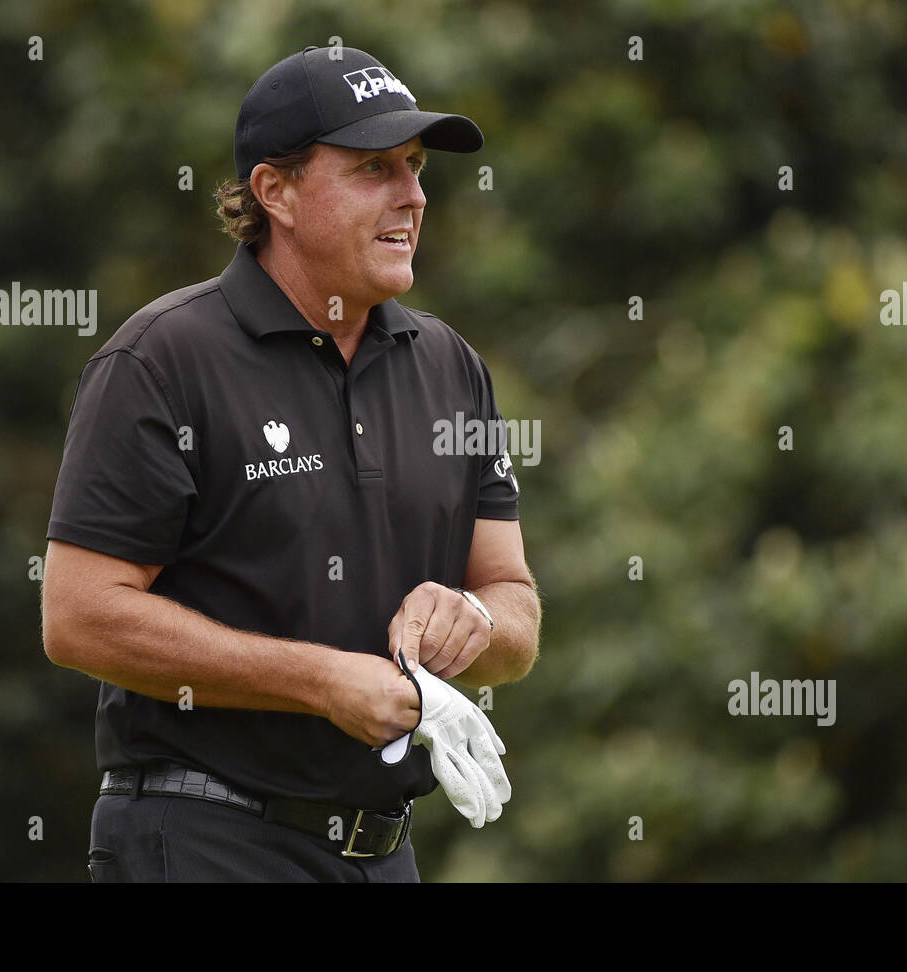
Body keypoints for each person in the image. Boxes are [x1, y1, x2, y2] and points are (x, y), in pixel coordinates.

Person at [40, 45, 541, 883]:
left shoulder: (452, 367)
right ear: (276, 192)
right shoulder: (164, 360)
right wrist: (318, 682)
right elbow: (78, 616)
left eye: (415, 168)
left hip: (384, 854)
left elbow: (515, 611)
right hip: (205, 837)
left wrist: (472, 620)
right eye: (375, 168)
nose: (413, 196)